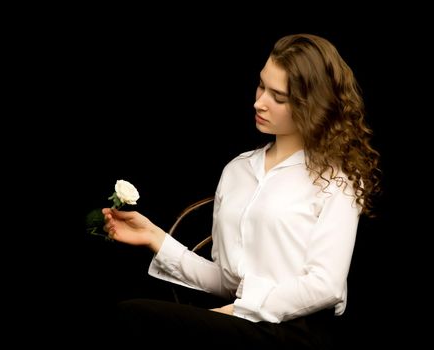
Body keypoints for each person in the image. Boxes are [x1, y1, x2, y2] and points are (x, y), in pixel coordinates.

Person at [102, 33, 381, 349]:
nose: (259, 102)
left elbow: (326, 286)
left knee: (135, 317)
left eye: (278, 96)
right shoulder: (237, 171)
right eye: (262, 86)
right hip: (240, 323)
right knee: (135, 317)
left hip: (298, 333)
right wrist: (155, 238)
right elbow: (227, 281)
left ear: (311, 105)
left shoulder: (336, 180)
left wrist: (240, 310)